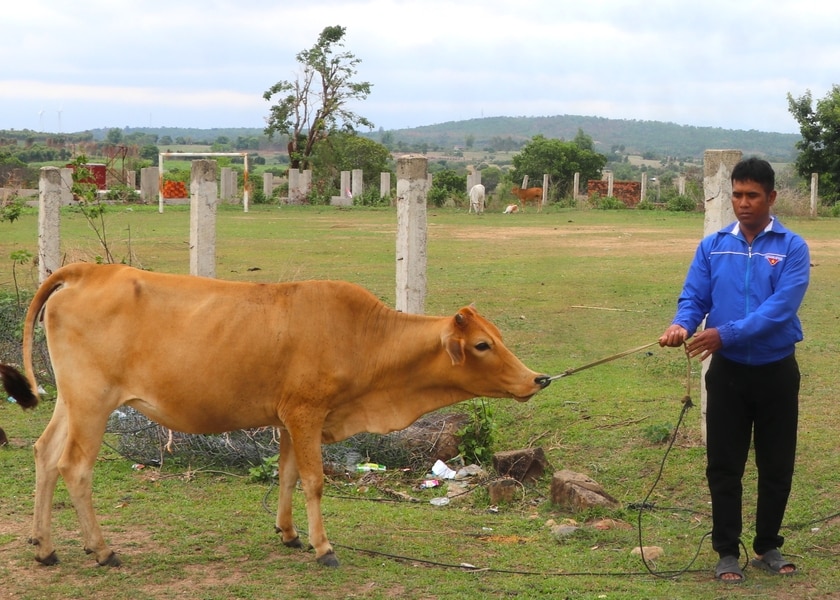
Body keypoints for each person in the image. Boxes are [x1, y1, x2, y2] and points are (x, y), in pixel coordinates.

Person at [659, 157, 810, 583]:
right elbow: (694, 297)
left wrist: (723, 334)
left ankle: (767, 546)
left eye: (752, 195)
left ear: (771, 198)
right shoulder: (712, 246)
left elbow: (780, 310)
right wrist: (681, 325)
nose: (743, 204)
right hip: (727, 374)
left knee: (776, 464)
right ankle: (727, 551)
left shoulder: (792, 247)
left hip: (777, 370)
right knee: (724, 465)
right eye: (737, 195)